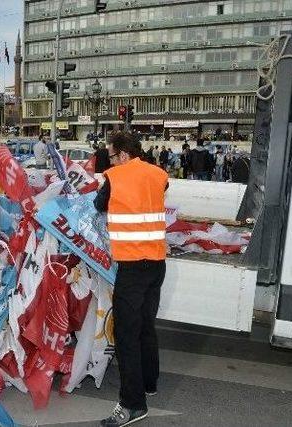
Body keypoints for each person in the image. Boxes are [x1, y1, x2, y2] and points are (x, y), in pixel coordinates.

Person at [94, 132, 168, 427]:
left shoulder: (115, 177)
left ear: (123, 155)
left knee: (126, 334)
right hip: (156, 264)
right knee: (146, 327)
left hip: (133, 267)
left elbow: (99, 205)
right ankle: (148, 382)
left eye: (111, 155)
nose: (109, 161)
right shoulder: (159, 174)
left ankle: (132, 405)